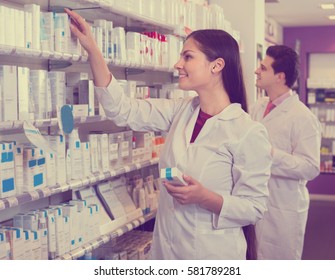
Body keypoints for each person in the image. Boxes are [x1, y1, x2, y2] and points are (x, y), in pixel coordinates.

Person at [65, 8, 272, 259]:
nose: (178, 64)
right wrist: (92, 49)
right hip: (167, 251)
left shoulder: (247, 131)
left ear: (217, 65)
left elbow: (254, 207)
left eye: (188, 57)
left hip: (213, 255)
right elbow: (122, 110)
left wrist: (206, 197)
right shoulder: (180, 112)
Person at [251, 45, 322, 260]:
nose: (256, 70)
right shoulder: (258, 107)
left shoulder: (303, 117)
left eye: (263, 67)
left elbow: (310, 167)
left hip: (283, 206)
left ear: (279, 76)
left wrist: (269, 154)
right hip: (254, 200)